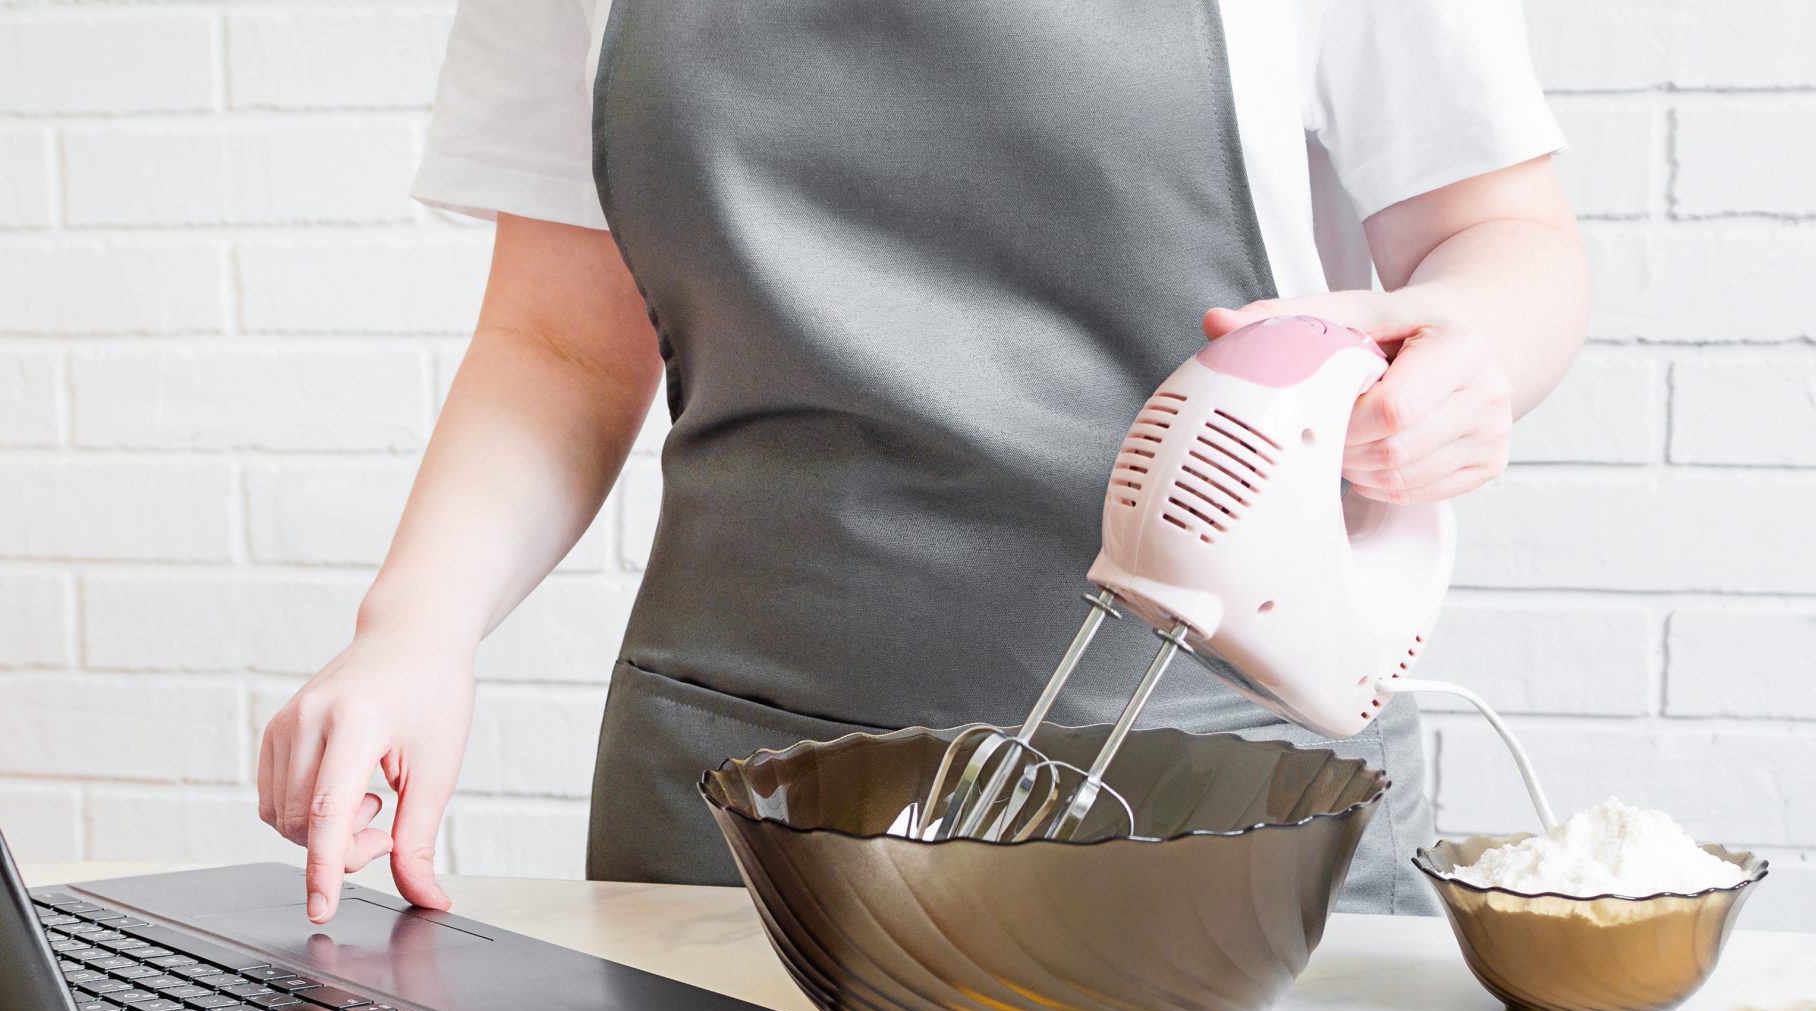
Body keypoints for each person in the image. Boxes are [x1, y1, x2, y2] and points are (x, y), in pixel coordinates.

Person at [258, 0, 1589, 924]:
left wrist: (1466, 346)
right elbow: (558, 342)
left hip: (1218, 798)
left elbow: (1503, 231)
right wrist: (411, 631)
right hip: (742, 823)